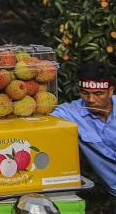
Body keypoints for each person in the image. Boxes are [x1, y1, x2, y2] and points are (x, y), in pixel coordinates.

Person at [53, 62, 115, 200]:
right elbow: (44, 120)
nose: (91, 100)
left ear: (110, 91)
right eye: (85, 93)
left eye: (98, 93)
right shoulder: (70, 113)